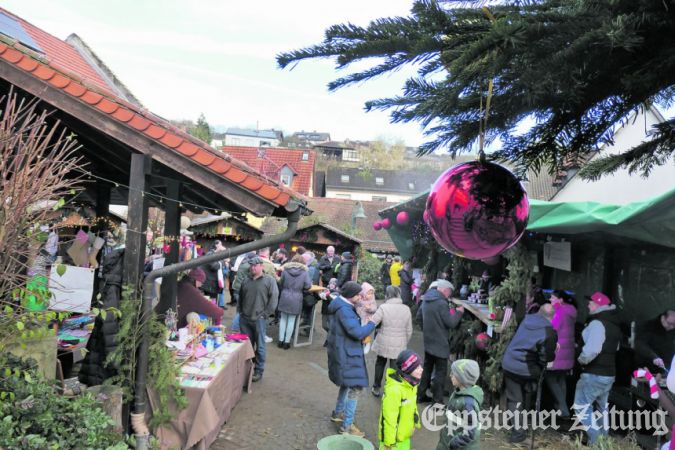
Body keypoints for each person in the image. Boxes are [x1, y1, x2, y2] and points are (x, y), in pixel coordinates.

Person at [501, 303, 557, 443]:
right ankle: (521, 431)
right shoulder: (548, 331)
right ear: (552, 317)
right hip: (527, 368)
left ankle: (517, 430)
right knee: (528, 393)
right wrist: (554, 348)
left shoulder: (526, 319)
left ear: (539, 311)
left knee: (514, 398)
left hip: (509, 362)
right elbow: (546, 358)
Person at [327, 281, 376, 437]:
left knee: (346, 384)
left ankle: (338, 413)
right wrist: (372, 323)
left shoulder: (341, 305)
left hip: (344, 350)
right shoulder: (345, 310)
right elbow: (357, 333)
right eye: (358, 295)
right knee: (356, 387)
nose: (360, 296)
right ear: (350, 296)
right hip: (347, 353)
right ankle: (347, 425)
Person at [573, 292, 622, 446]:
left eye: (590, 303)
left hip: (594, 373)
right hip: (609, 374)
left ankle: (595, 442)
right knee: (602, 409)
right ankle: (603, 443)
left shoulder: (597, 323)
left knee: (581, 407)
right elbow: (617, 347)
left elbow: (593, 350)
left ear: (598, 305)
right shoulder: (614, 325)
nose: (588, 305)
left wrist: (581, 360)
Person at [415, 279, 464, 404]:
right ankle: (437, 400)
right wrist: (458, 313)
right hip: (440, 343)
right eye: (449, 292)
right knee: (440, 372)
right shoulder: (441, 303)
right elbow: (451, 323)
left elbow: (419, 317)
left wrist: (428, 329)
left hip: (428, 341)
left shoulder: (426, 299)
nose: (449, 295)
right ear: (444, 290)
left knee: (427, 369)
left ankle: (420, 396)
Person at [239, 256, 279, 382]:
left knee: (260, 347)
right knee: (246, 346)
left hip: (259, 319)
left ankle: (258, 371)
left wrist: (265, 315)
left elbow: (274, 300)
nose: (252, 267)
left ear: (261, 266)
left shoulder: (269, 280)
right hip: (245, 318)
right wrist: (240, 311)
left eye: (255, 265)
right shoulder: (246, 280)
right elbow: (240, 297)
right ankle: (247, 369)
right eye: (251, 265)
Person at [370, 285, 413, 397]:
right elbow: (409, 330)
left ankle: (376, 387)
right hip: (399, 343)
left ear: (387, 295)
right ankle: (391, 390)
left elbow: (373, 322)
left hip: (383, 341)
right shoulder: (406, 309)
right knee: (394, 368)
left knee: (380, 363)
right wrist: (404, 341)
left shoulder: (383, 307)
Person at [378, 350, 423, 450]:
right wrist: (388, 443)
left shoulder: (411, 384)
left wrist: (415, 423)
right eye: (417, 368)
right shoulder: (394, 390)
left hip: (404, 436)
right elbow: (389, 418)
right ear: (407, 370)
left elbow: (412, 406)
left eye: (420, 366)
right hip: (392, 442)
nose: (421, 370)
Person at [436, 359, 484, 450]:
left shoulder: (468, 403)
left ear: (462, 378)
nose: (450, 375)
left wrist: (454, 444)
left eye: (453, 374)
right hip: (448, 441)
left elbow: (471, 431)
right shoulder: (457, 393)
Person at [545, 289, 577, 419]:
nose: (550, 300)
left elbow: (553, 327)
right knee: (561, 378)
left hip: (558, 350)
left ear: (561, 300)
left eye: (553, 298)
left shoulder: (559, 311)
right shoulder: (571, 311)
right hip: (567, 351)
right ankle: (560, 407)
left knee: (551, 377)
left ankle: (563, 409)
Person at [277, 254, 311, 349]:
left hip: (285, 295)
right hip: (296, 297)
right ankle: (286, 342)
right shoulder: (305, 272)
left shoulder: (285, 270)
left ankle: (280, 340)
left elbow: (281, 282)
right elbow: (308, 286)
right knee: (291, 320)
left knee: (283, 319)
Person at [635, 308, 675, 374]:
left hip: (665, 370)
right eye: (669, 324)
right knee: (651, 382)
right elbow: (639, 344)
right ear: (663, 318)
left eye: (674, 325)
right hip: (646, 367)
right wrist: (654, 357)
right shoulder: (648, 326)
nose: (672, 327)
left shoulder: (672, 330)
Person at [356, 282, 378, 354]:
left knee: (366, 333)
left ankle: (367, 343)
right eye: (369, 293)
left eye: (372, 293)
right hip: (359, 319)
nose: (371, 295)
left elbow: (375, 309)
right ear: (363, 293)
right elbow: (355, 306)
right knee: (359, 333)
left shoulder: (372, 301)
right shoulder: (359, 299)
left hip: (367, 320)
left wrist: (369, 308)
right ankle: (360, 344)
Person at [320, 278, 339, 346]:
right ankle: (333, 335)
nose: (331, 285)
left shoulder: (337, 292)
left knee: (331, 326)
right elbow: (321, 297)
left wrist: (327, 295)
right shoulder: (326, 290)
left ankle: (328, 339)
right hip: (324, 311)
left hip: (331, 312)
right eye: (331, 283)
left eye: (333, 284)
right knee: (324, 325)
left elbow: (333, 300)